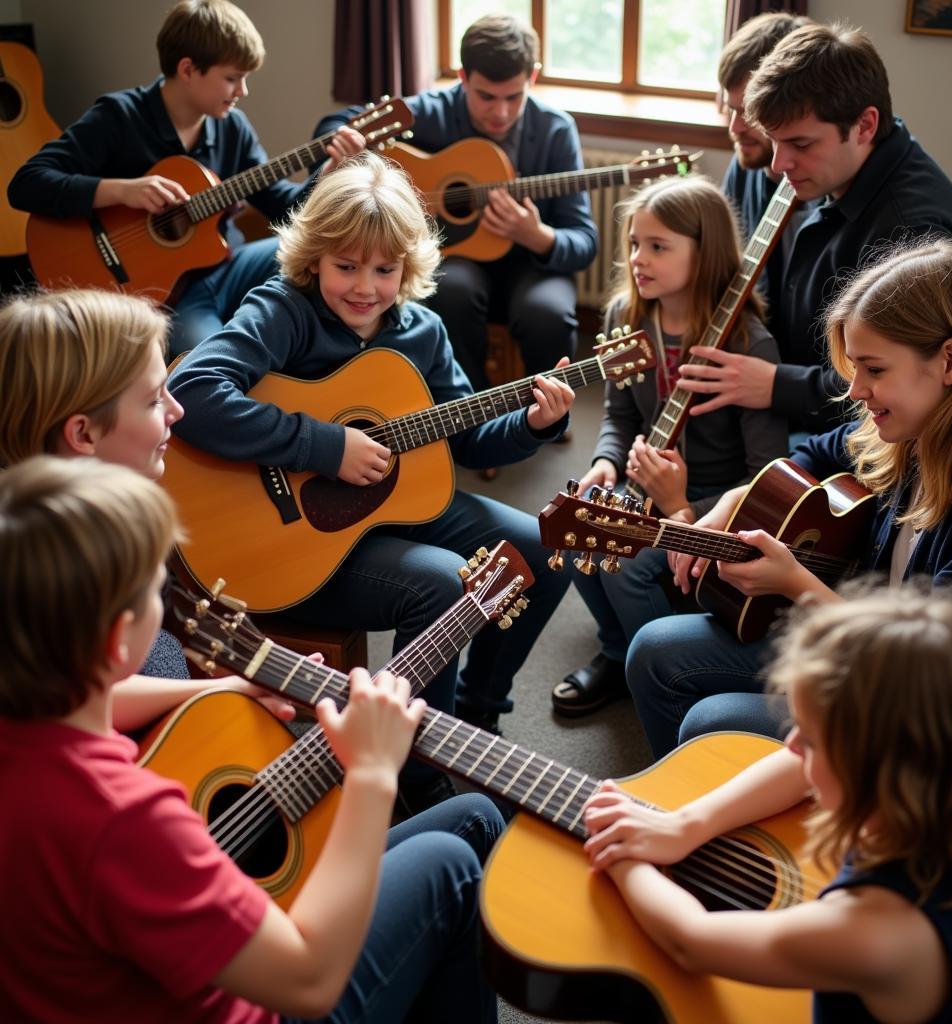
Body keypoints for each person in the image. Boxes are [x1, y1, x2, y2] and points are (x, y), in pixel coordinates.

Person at [0, 455, 503, 1023]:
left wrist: (221, 692)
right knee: (454, 859)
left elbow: (106, 696)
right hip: (273, 998)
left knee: (475, 814)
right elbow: (308, 980)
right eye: (154, 595)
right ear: (120, 638)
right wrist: (371, 774)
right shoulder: (123, 818)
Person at [168, 152, 574, 796]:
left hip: (392, 509)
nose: (365, 287)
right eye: (346, 267)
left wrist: (535, 424)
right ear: (314, 259)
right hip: (291, 540)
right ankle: (414, 774)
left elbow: (467, 441)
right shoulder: (285, 309)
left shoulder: (424, 331)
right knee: (445, 585)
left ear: (409, 268)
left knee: (546, 550)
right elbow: (192, 388)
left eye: (385, 270)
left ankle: (471, 720)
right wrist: (326, 447)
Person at [625, 238, 952, 758]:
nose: (856, 390)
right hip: (858, 641)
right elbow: (814, 453)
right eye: (855, 367)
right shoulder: (907, 434)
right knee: (653, 651)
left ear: (951, 361)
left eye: (875, 370)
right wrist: (730, 502)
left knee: (711, 721)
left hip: (921, 715)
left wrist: (796, 583)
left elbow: (935, 680)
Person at [583, 587, 952, 1023]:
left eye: (810, 740)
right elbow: (795, 770)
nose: (790, 745)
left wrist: (623, 852)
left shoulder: (875, 934)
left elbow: (691, 942)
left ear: (873, 770)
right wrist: (685, 824)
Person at [0, 286, 299, 729]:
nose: (177, 410)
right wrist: (221, 689)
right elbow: (75, 701)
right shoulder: (31, 559)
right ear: (83, 435)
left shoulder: (103, 512)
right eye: (155, 399)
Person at [552, 176, 788, 717]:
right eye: (635, 243)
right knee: (570, 528)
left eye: (658, 246)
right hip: (646, 483)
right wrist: (605, 463)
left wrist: (686, 502)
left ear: (704, 255)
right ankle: (617, 650)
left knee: (628, 565)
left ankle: (664, 675)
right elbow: (618, 414)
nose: (639, 258)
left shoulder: (749, 343)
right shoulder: (624, 320)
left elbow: (764, 473)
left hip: (715, 499)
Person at [677, 22, 952, 435]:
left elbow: (901, 385)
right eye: (774, 141)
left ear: (865, 126)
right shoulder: (831, 174)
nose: (778, 166)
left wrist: (776, 385)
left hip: (869, 436)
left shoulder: (914, 232)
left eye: (801, 145)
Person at [7, 0, 361, 355]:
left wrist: (328, 173)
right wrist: (120, 191)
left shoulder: (232, 128)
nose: (242, 92)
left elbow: (286, 211)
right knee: (207, 363)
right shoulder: (119, 117)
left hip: (224, 269)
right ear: (188, 69)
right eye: (232, 78)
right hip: (155, 294)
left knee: (323, 253)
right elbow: (27, 183)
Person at [314, 12, 598, 392]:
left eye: (514, 97)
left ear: (532, 77)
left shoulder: (555, 130)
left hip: (532, 266)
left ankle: (549, 408)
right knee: (449, 291)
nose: (500, 112)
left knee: (547, 313)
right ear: (463, 78)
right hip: (459, 257)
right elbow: (338, 124)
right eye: (485, 97)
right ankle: (470, 404)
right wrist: (343, 141)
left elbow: (584, 241)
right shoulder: (434, 112)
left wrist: (537, 236)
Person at [717, 11, 814, 322]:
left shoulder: (825, 185)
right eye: (732, 109)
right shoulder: (744, 165)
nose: (735, 127)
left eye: (749, 112)